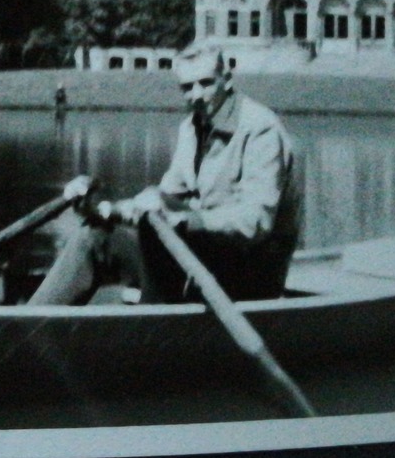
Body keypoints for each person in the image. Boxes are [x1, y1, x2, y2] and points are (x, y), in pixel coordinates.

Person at [29, 44, 301, 305]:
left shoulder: (260, 129)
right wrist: (101, 209)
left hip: (251, 273)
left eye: (205, 83)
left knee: (155, 244)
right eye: (186, 87)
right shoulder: (192, 127)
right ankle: (27, 325)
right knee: (96, 236)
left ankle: (153, 327)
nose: (195, 95)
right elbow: (163, 199)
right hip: (200, 257)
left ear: (226, 79)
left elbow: (255, 222)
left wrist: (183, 220)